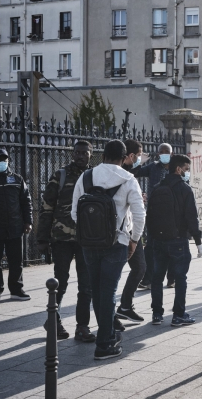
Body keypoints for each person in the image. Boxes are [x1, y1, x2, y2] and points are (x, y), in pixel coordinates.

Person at [71, 140, 145, 360]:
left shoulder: (85, 177)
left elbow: (75, 211)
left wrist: (90, 231)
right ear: (124, 158)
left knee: (96, 289)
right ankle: (105, 343)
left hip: (89, 243)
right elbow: (140, 215)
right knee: (109, 291)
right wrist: (133, 240)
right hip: (117, 243)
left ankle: (107, 335)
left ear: (102, 156)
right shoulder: (129, 179)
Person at [37, 141, 95, 341]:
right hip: (61, 239)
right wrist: (42, 238)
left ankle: (82, 327)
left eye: (84, 153)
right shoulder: (60, 176)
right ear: (73, 154)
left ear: (90, 154)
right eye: (77, 153)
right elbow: (46, 208)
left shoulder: (94, 177)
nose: (80, 156)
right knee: (59, 282)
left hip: (86, 239)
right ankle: (53, 320)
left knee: (86, 285)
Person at [148, 154, 202, 326]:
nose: (187, 173)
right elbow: (191, 217)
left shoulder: (157, 187)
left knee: (157, 277)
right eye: (186, 169)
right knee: (180, 278)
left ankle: (157, 314)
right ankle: (178, 314)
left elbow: (150, 215)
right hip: (178, 240)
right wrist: (198, 241)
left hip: (158, 240)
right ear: (178, 169)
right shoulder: (185, 189)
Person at [0, 148, 33, 302]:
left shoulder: (17, 179)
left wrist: (28, 221)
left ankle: (16, 289)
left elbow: (26, 201)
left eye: (5, 160)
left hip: (14, 226)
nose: (2, 163)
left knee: (16, 261)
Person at [113, 139, 147, 325]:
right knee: (116, 273)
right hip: (124, 231)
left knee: (139, 267)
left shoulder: (129, 174)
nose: (140, 159)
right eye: (139, 155)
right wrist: (134, 239)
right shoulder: (124, 175)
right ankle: (116, 313)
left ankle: (125, 306)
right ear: (130, 156)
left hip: (129, 229)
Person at [134, 143, 173, 290]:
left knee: (171, 245)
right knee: (150, 246)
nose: (164, 154)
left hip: (170, 212)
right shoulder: (153, 167)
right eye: (161, 152)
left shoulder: (177, 168)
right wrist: (139, 162)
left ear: (172, 154)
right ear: (157, 155)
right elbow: (135, 173)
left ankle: (172, 278)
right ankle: (148, 279)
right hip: (154, 211)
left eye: (167, 152)